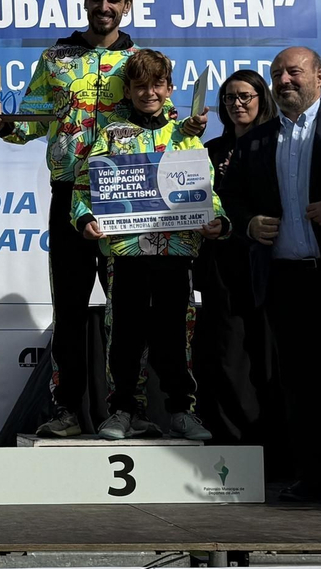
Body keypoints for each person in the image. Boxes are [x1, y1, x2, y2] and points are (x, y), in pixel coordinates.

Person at [0, 0, 139, 437]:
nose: (104, 7)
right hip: (68, 193)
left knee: (126, 308)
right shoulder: (56, 58)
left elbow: (158, 121)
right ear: (85, 0)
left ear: (127, 6)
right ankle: (67, 410)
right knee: (68, 306)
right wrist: (4, 124)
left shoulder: (142, 60)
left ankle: (129, 407)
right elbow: (32, 118)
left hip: (125, 195)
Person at [218, 48, 321, 501]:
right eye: (276, 74)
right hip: (286, 280)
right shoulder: (255, 140)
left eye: (293, 71)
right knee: (300, 385)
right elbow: (231, 195)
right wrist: (248, 223)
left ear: (320, 76)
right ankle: (314, 476)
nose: (284, 80)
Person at [72, 49, 228, 441]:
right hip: (126, 254)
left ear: (170, 88)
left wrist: (218, 221)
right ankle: (122, 409)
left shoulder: (186, 134)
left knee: (176, 334)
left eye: (157, 84)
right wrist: (85, 218)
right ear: (127, 90)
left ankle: (181, 410)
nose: (148, 93)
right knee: (124, 334)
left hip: (176, 255)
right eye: (140, 86)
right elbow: (82, 188)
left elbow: (207, 189)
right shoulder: (110, 134)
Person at [192, 69, 278, 444]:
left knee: (270, 357)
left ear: (262, 99)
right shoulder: (209, 151)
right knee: (226, 356)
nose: (237, 104)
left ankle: (277, 449)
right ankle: (234, 443)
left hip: (271, 264)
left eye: (245, 96)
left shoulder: (280, 142)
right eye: (229, 98)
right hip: (221, 268)